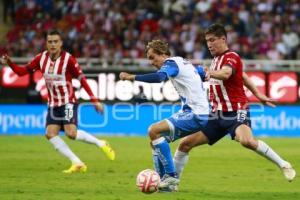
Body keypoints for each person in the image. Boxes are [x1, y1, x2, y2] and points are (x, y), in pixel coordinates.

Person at [172, 23, 296, 183]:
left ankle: (283, 164)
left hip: (236, 111)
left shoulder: (232, 57)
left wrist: (209, 73)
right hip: (216, 115)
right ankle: (172, 182)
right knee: (185, 144)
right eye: (207, 41)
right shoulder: (216, 59)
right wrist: (258, 94)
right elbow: (242, 75)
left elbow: (226, 73)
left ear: (223, 39)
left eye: (212, 40)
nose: (209, 44)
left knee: (246, 141)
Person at [1, 30, 115, 173]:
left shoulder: (69, 59)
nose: (53, 44)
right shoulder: (40, 58)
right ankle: (77, 163)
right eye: (50, 42)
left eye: (56, 41)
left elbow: (83, 80)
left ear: (61, 43)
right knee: (50, 133)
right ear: (46, 44)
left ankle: (101, 143)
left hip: (68, 101)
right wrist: (10, 62)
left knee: (71, 133)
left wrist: (95, 100)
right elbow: (21, 72)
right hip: (53, 104)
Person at [119, 39, 210, 191]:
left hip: (195, 113)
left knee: (153, 130)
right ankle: (165, 186)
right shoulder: (183, 62)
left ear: (163, 54)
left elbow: (160, 78)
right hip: (195, 113)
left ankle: (171, 176)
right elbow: (200, 72)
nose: (152, 62)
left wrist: (131, 77)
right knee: (156, 143)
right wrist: (204, 72)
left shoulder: (171, 64)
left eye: (152, 57)